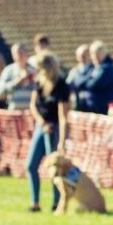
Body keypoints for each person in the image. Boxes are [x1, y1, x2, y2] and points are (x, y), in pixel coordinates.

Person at [26, 52, 70, 212]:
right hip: (42, 126)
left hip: (55, 129)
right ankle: (34, 202)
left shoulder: (62, 86)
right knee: (31, 165)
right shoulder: (39, 83)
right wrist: (42, 122)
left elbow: (63, 117)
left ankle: (57, 203)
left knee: (54, 168)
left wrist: (62, 141)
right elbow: (33, 105)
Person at [82, 41, 113, 115]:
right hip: (93, 109)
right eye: (92, 54)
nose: (94, 57)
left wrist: (85, 80)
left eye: (97, 53)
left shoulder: (107, 68)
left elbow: (93, 84)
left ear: (103, 53)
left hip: (103, 109)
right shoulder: (93, 67)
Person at [0, 43, 36, 111]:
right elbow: (0, 91)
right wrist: (16, 83)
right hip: (14, 112)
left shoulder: (34, 70)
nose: (19, 56)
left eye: (21, 53)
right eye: (16, 54)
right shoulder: (8, 70)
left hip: (32, 113)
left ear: (26, 53)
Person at [66, 45, 94, 111]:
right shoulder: (74, 71)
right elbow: (68, 85)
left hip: (92, 104)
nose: (82, 57)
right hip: (78, 104)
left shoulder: (95, 69)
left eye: (84, 55)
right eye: (80, 55)